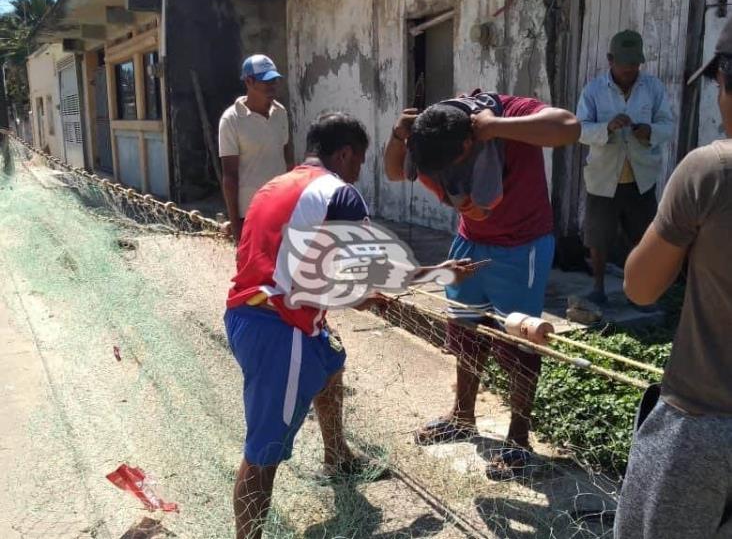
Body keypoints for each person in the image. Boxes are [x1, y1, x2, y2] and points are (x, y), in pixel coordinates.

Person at [225, 112, 476, 539]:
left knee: (331, 361)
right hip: (278, 329)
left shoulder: (278, 184)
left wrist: (355, 296)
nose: (360, 171)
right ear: (344, 154)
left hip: (250, 312)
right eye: (359, 160)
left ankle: (337, 455)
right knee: (263, 453)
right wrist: (440, 273)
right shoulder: (339, 193)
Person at [384, 91, 580, 471]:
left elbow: (569, 128)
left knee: (519, 341)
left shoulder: (509, 112)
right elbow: (394, 171)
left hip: (521, 246)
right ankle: (462, 416)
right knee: (465, 328)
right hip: (470, 241)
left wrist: (497, 128)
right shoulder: (433, 127)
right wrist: (397, 133)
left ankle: (519, 439)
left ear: (471, 141)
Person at [615, 18, 732, 539]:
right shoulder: (598, 91)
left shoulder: (711, 171)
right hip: (607, 179)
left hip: (705, 423)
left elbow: (640, 287)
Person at [577, 30, 674, 306]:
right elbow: (580, 129)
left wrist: (649, 131)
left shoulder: (652, 88)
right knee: (598, 237)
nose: (631, 69)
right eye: (625, 63)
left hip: (641, 177)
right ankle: (598, 288)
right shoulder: (593, 90)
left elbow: (667, 125)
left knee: (643, 237)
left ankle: (638, 292)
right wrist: (606, 127)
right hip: (603, 177)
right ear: (610, 59)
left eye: (635, 63)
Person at [219, 54, 292, 243]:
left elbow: (287, 159)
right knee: (252, 270)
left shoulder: (280, 113)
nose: (272, 86)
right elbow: (230, 177)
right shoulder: (231, 120)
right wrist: (236, 227)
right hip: (250, 214)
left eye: (274, 80)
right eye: (266, 81)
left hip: (279, 209)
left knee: (281, 268)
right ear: (249, 81)